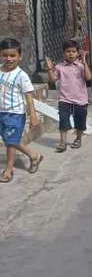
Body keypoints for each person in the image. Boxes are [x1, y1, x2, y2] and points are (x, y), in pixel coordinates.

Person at [0, 37, 42, 183]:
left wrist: (33, 116)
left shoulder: (21, 75)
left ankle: (9, 170)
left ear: (20, 56)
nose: (9, 59)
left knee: (10, 142)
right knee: (10, 140)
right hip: (1, 113)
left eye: (13, 55)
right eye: (5, 55)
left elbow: (29, 97)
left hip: (15, 114)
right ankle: (33, 155)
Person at [45, 41, 92, 152]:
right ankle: (62, 142)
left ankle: (78, 138)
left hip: (80, 99)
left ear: (77, 53)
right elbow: (52, 80)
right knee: (63, 120)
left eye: (73, 51)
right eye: (68, 52)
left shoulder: (81, 66)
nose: (71, 54)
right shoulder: (59, 67)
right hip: (64, 99)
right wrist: (49, 69)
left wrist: (85, 63)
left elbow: (88, 78)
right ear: (64, 53)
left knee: (80, 120)